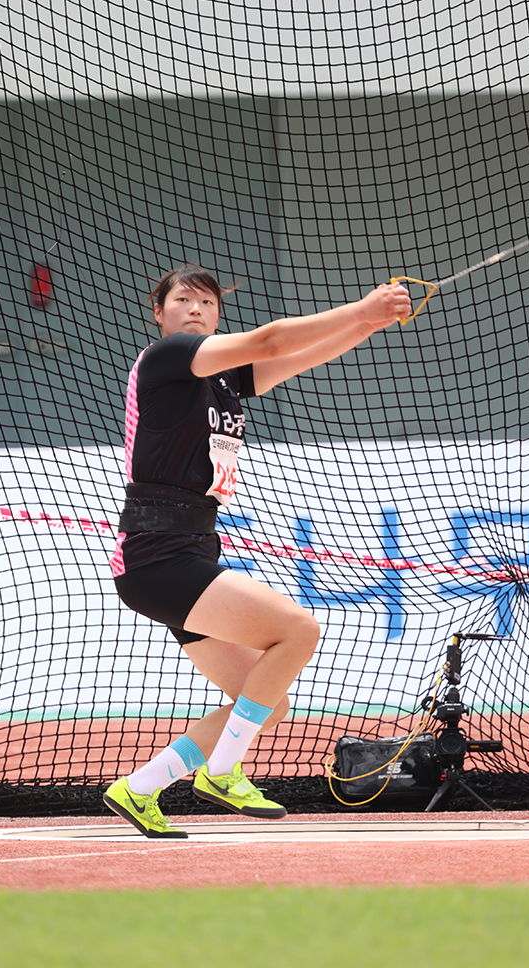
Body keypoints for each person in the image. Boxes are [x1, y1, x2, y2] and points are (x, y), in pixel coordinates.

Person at [104, 263, 411, 837]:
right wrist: (360, 308)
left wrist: (368, 325)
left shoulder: (222, 380)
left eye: (207, 303)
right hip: (157, 554)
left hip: (189, 549)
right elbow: (271, 338)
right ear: (159, 312)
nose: (196, 309)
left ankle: (140, 788)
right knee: (298, 630)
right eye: (184, 300)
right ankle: (223, 773)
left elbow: (299, 357)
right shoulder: (166, 359)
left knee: (266, 701)